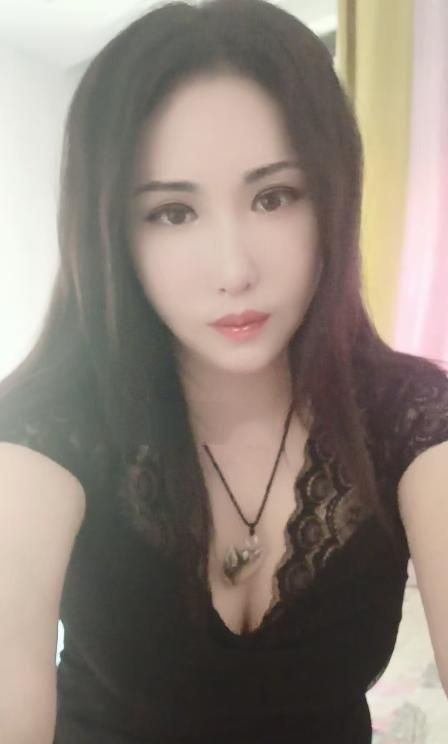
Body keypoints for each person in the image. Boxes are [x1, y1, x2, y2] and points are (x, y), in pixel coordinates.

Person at [0, 0, 447, 741]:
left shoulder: (409, 416)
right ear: (111, 233)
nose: (234, 270)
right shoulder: (45, 432)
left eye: (275, 197)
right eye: (173, 213)